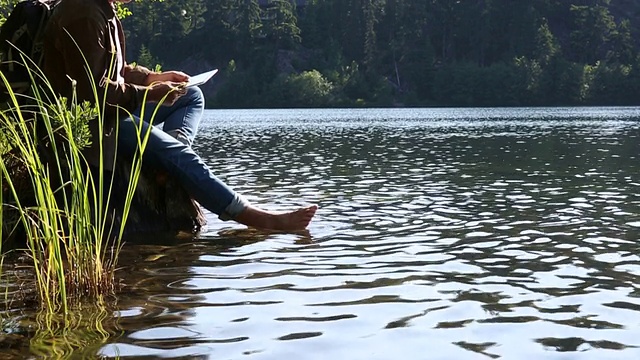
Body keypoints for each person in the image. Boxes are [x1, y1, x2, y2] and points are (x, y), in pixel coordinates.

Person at [42, 0, 317, 231]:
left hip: (112, 110)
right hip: (96, 123)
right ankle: (259, 218)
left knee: (191, 96)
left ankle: (170, 157)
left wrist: (153, 77)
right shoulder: (83, 14)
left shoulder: (101, 8)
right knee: (181, 157)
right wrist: (150, 93)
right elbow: (94, 92)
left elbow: (115, 69)